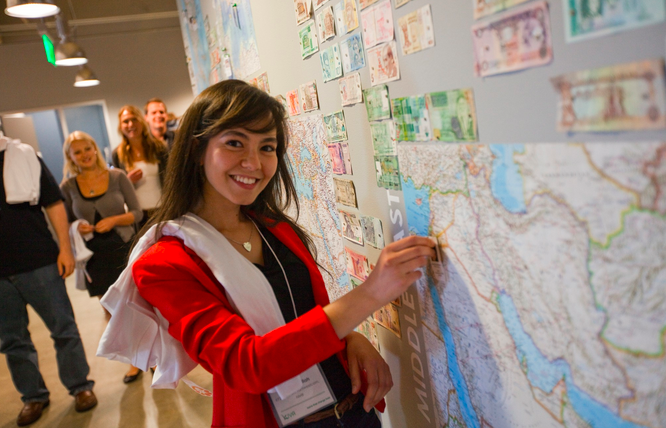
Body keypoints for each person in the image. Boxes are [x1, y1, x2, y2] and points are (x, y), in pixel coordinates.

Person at [103, 80, 434, 428]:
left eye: (267, 147)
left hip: (354, 412)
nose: (253, 162)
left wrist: (350, 336)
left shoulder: (274, 228)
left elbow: (303, 313)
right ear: (197, 150)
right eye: (234, 143)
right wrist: (370, 294)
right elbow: (247, 364)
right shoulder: (163, 264)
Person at [0, 136, 97, 426]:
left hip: (38, 260)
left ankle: (80, 387)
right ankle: (33, 397)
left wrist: (65, 249)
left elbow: (53, 203)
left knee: (63, 329)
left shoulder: (23, 155)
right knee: (13, 341)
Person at [60, 130, 145, 384]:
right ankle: (134, 360)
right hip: (94, 257)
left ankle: (151, 353)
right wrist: (77, 227)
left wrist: (114, 220)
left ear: (95, 149)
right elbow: (65, 221)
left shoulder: (117, 177)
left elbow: (138, 213)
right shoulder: (67, 187)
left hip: (123, 248)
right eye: (77, 152)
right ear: (70, 157)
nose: (84, 155)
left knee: (138, 304)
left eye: (87, 149)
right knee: (111, 310)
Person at [112, 105, 169, 228]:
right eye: (126, 121)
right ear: (120, 127)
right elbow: (116, 190)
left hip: (163, 210)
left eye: (134, 119)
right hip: (138, 216)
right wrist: (128, 181)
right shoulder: (117, 154)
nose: (131, 124)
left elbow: (170, 177)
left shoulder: (158, 147)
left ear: (142, 122)